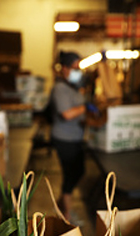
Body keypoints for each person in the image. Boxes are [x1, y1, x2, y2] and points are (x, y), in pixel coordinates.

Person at [50, 51, 97, 216]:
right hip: (64, 138)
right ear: (64, 68)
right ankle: (66, 216)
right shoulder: (60, 89)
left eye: (79, 68)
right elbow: (67, 114)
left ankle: (62, 202)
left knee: (79, 171)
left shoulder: (74, 88)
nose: (77, 72)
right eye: (74, 67)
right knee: (70, 175)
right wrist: (85, 107)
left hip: (76, 137)